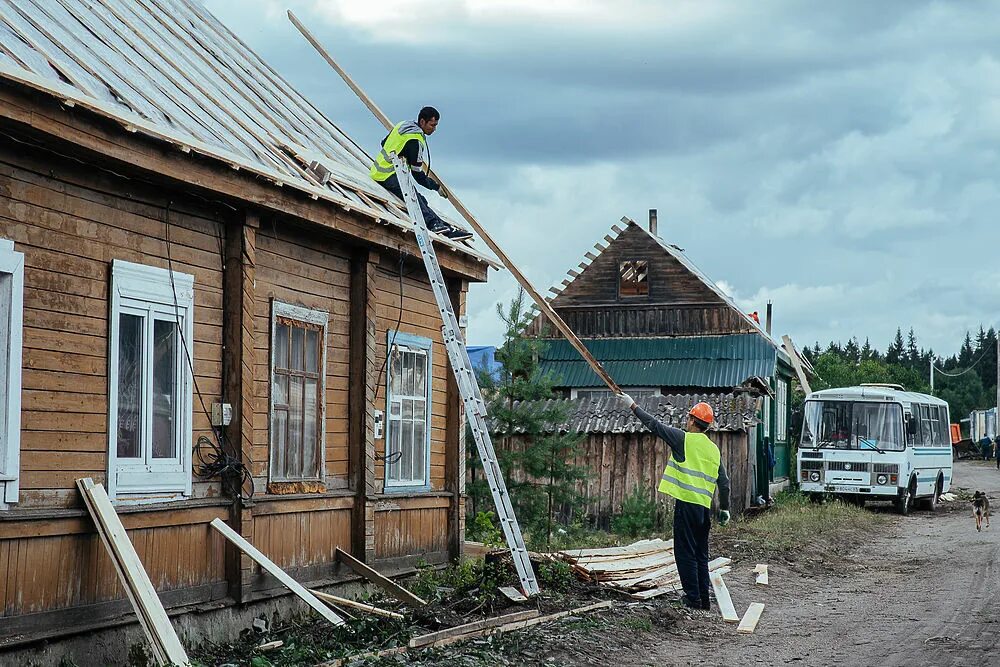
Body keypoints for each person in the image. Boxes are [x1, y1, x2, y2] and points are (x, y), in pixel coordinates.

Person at [618, 393, 731, 610]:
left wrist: (632, 405)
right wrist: (724, 508)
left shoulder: (683, 439)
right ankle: (704, 598)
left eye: (688, 418)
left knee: (684, 552)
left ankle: (692, 598)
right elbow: (724, 483)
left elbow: (655, 425)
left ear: (691, 421)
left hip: (686, 506)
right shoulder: (713, 449)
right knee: (701, 553)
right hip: (703, 510)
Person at [369, 106, 473, 242]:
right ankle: (434, 225)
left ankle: (443, 225)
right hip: (389, 175)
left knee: (421, 199)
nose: (434, 129)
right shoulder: (415, 141)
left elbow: (384, 143)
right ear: (423, 122)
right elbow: (418, 175)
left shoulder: (403, 125)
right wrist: (436, 187)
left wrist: (401, 154)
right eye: (432, 125)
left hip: (378, 170)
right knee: (414, 199)